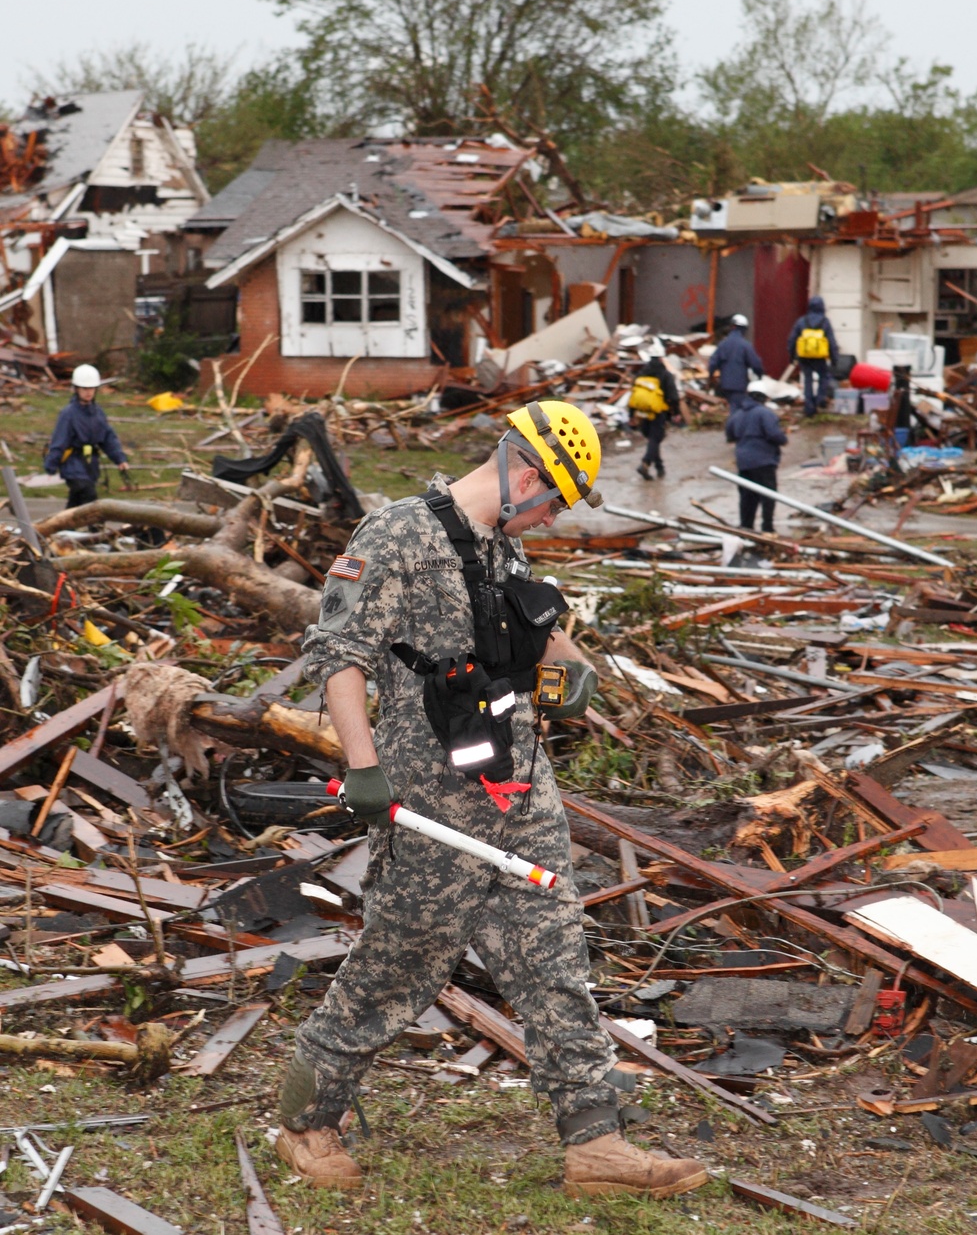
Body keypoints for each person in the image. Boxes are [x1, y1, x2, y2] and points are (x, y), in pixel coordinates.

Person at [275, 399, 708, 1200]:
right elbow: (338, 654)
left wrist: (572, 665)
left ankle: (597, 1145)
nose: (550, 518)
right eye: (554, 499)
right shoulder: (399, 534)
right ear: (524, 472)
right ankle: (306, 1121)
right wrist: (362, 768)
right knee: (395, 966)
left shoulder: (502, 550)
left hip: (517, 794)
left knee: (554, 957)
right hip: (432, 806)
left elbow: (533, 625)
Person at [44, 364, 129, 507]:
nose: (88, 392)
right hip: (72, 463)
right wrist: (51, 465)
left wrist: (120, 459)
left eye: (91, 388)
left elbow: (108, 438)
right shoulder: (68, 414)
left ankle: (64, 526)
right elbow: (59, 441)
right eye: (84, 389)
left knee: (76, 501)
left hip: (90, 464)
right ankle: (96, 528)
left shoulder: (98, 413)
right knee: (87, 494)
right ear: (76, 389)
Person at [725, 384, 788, 532]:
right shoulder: (765, 413)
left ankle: (746, 528)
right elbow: (774, 434)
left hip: (743, 462)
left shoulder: (737, 414)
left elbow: (730, 435)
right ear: (764, 398)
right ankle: (767, 527)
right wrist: (783, 439)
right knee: (768, 495)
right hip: (763, 460)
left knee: (747, 497)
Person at [628, 356, 681, 481]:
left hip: (642, 412)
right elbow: (673, 396)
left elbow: (634, 396)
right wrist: (676, 412)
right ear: (661, 361)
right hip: (658, 412)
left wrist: (631, 415)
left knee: (653, 439)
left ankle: (659, 467)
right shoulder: (665, 375)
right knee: (655, 438)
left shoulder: (641, 374)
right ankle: (645, 464)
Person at [788, 296, 839, 417]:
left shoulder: (802, 321)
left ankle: (809, 407)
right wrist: (834, 358)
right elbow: (831, 342)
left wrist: (792, 356)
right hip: (820, 357)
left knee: (808, 380)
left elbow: (792, 339)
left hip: (804, 357)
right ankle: (820, 399)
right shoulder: (825, 322)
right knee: (823, 377)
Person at [708, 314, 763, 413]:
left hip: (725, 383)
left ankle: (734, 425)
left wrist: (710, 377)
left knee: (733, 406)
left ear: (732, 327)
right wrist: (759, 376)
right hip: (739, 384)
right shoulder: (745, 345)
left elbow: (713, 363)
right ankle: (735, 426)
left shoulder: (723, 344)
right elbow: (756, 363)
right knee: (737, 409)